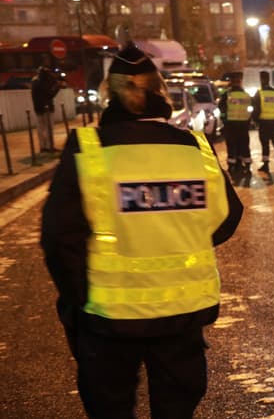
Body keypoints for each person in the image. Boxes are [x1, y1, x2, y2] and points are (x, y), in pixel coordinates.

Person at [40, 42, 244, 419]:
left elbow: (59, 237)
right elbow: (227, 217)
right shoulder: (193, 147)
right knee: (177, 408)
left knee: (111, 407)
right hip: (183, 313)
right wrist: (179, 233)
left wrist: (80, 299)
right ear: (159, 92)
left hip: (108, 319)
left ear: (110, 94)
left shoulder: (87, 148)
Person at [217, 71, 255, 173]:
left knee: (231, 145)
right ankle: (246, 165)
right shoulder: (246, 95)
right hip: (243, 124)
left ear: (232, 82)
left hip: (230, 124)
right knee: (244, 144)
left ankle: (232, 165)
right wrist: (249, 121)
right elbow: (251, 109)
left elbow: (221, 108)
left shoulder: (227, 95)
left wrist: (224, 119)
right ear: (240, 82)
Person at [252, 71, 274, 172]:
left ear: (261, 80)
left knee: (265, 144)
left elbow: (255, 109)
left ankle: (266, 165)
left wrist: (255, 120)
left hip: (263, 123)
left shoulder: (259, 93)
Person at [30, 66, 62, 152]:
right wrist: (57, 87)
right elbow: (49, 95)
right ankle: (49, 146)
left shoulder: (34, 82)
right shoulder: (43, 82)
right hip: (47, 108)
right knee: (49, 128)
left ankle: (43, 146)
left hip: (38, 108)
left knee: (41, 128)